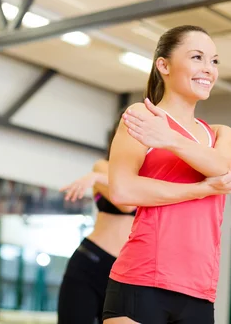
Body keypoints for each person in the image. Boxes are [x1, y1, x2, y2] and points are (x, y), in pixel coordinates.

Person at [101, 25, 231, 324]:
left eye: (214, 61)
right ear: (163, 65)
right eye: (197, 57)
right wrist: (200, 190)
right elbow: (122, 191)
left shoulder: (219, 134)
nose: (208, 69)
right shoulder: (141, 116)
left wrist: (170, 140)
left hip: (200, 291)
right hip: (141, 280)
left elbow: (226, 171)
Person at [57, 114, 137, 324]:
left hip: (126, 274)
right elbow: (126, 202)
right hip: (91, 263)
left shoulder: (149, 177)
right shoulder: (102, 166)